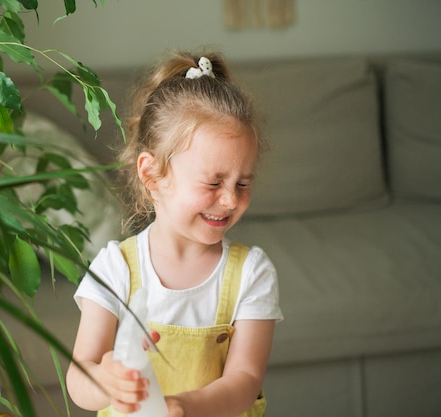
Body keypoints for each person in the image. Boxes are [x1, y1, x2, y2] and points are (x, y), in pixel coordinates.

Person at [65, 50, 283, 417]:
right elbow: (79, 378)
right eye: (213, 182)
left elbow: (244, 381)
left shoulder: (252, 273)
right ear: (152, 176)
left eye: (242, 182)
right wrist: (105, 380)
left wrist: (182, 407)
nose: (230, 199)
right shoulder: (115, 269)